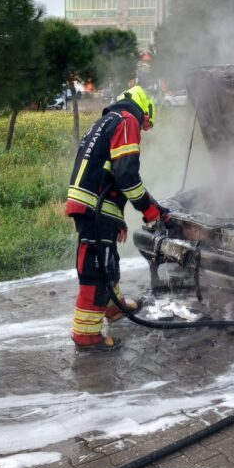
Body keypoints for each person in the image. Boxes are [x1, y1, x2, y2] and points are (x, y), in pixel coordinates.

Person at [65, 85, 168, 353]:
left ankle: (113, 307)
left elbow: (106, 170)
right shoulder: (127, 120)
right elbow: (126, 176)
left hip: (95, 205)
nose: (143, 129)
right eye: (146, 124)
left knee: (107, 259)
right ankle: (86, 336)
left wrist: (116, 218)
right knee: (96, 268)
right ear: (144, 110)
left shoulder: (106, 121)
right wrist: (150, 209)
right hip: (94, 206)